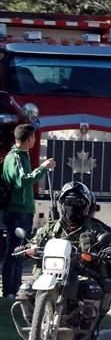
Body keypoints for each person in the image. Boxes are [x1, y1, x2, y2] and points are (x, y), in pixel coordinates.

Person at [24, 182, 111, 340]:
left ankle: (91, 329)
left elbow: (109, 247)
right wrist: (25, 249)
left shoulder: (97, 229)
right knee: (25, 291)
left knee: (93, 290)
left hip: (82, 272)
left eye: (78, 203)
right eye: (68, 203)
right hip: (48, 273)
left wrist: (105, 253)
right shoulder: (51, 228)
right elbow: (34, 242)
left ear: (87, 206)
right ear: (62, 205)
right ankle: (34, 329)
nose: (72, 207)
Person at [2, 124, 56, 298]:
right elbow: (22, 181)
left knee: (20, 251)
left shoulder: (22, 156)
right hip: (17, 212)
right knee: (15, 251)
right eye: (33, 137)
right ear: (27, 138)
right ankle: (10, 291)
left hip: (22, 211)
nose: (35, 140)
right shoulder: (15, 157)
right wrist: (42, 168)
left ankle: (14, 289)